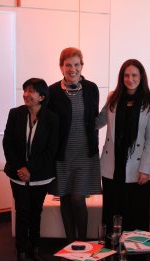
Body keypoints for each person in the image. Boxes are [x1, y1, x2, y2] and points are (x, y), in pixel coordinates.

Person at [3, 78, 59, 261]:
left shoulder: (52, 119)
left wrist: (31, 169)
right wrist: (21, 167)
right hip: (17, 174)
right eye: (25, 90)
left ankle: (35, 247)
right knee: (22, 212)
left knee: (36, 212)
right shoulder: (15, 114)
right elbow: (8, 143)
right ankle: (21, 251)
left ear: (42, 97)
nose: (26, 94)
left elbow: (51, 150)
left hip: (41, 175)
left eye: (32, 91)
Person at [97, 59, 150, 236]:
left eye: (134, 75)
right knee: (112, 210)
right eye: (127, 75)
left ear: (141, 77)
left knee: (135, 212)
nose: (130, 79)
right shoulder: (112, 98)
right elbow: (100, 121)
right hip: (113, 164)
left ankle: (135, 256)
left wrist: (145, 169)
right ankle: (112, 253)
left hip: (137, 167)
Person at [48, 47, 101, 242]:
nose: (73, 69)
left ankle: (82, 241)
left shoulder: (91, 88)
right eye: (68, 65)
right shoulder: (52, 91)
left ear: (82, 66)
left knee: (78, 198)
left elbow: (94, 119)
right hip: (62, 154)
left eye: (76, 64)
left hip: (85, 152)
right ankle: (70, 242)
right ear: (61, 67)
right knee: (65, 197)